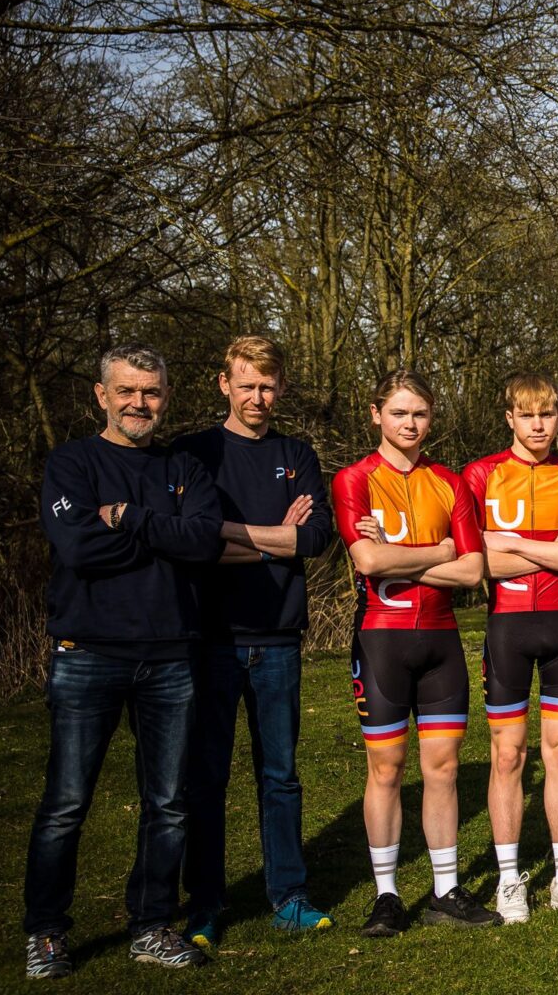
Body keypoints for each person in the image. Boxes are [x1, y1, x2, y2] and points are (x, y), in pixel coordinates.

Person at [26, 343, 222, 977]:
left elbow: (203, 543)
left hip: (169, 657)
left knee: (166, 802)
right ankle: (47, 932)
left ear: (165, 398)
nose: (140, 403)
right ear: (102, 394)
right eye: (128, 391)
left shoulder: (185, 465)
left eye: (152, 392)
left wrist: (131, 518)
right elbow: (80, 549)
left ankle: (150, 924)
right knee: (66, 802)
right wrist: (161, 534)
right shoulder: (72, 463)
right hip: (88, 652)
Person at [174, 336, 337, 948]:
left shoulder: (297, 453)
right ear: (225, 384)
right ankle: (206, 905)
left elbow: (317, 538)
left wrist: (233, 539)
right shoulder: (195, 451)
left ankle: (289, 896)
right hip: (211, 639)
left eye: (268, 386)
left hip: (278, 639)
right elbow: (196, 539)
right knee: (207, 777)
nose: (258, 397)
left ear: (282, 389)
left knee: (281, 775)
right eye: (247, 385)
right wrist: (273, 535)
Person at [331, 370, 498, 936]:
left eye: (420, 414)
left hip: (440, 641)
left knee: (443, 768)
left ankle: (446, 889)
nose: (409, 423)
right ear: (376, 413)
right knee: (386, 768)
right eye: (399, 412)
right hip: (381, 638)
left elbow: (473, 571)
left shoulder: (449, 482)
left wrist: (398, 551)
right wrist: (438, 551)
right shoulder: (353, 479)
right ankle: (386, 895)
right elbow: (368, 564)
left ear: (431, 419)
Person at [461, 372, 558, 922]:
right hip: (508, 628)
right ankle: (507, 880)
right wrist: (549, 548)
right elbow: (474, 563)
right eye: (527, 415)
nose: (538, 424)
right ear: (510, 419)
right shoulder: (480, 474)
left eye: (547, 414)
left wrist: (512, 542)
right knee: (507, 754)